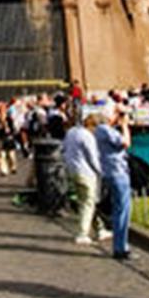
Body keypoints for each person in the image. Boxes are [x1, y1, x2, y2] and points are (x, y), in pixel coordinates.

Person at [62, 111, 108, 245]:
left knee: (86, 201)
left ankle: (99, 228)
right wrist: (100, 172)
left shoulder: (71, 132)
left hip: (72, 170)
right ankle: (82, 233)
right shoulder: (88, 137)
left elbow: (64, 149)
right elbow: (92, 157)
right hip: (86, 172)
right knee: (88, 202)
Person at [95, 102, 133, 261]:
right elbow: (126, 143)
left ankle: (120, 245)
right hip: (117, 172)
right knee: (122, 210)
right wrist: (124, 126)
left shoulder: (100, 130)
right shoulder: (106, 130)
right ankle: (120, 247)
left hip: (110, 172)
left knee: (119, 209)